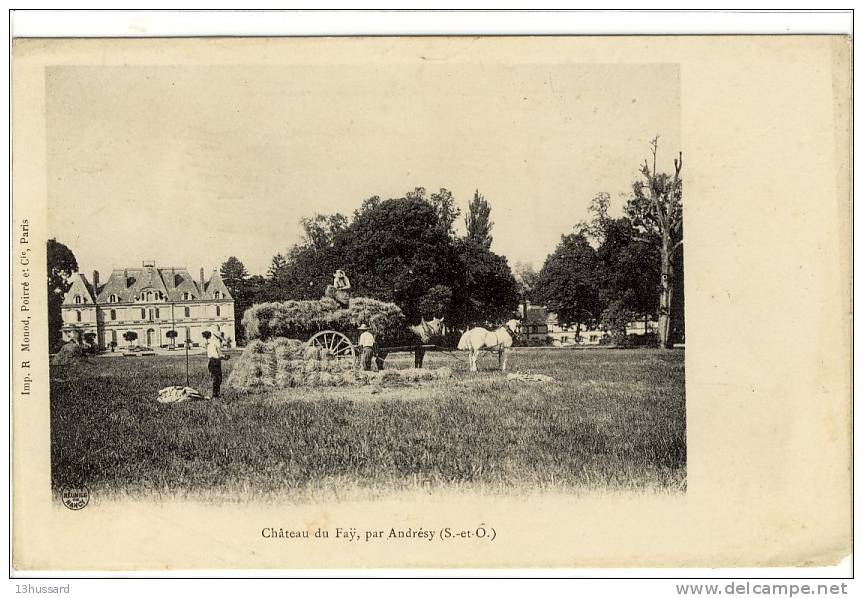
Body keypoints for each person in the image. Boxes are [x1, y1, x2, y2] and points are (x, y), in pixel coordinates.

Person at [202, 330, 229, 399]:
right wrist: (223, 357)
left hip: (216, 362)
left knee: (219, 379)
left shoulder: (216, 345)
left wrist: (224, 357)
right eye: (219, 339)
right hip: (213, 362)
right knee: (216, 379)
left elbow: (219, 354)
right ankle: (215, 395)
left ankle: (217, 394)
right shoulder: (212, 345)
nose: (220, 341)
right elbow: (215, 356)